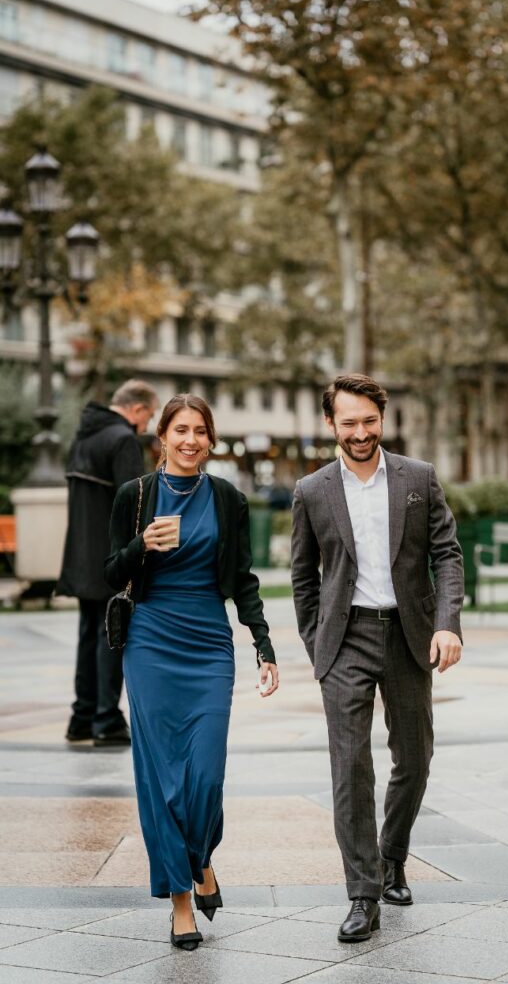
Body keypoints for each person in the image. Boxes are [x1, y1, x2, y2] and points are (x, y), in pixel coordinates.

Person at [291, 373, 464, 943]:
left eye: (369, 421)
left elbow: (447, 553)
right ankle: (363, 895)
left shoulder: (418, 478)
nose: (360, 432)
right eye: (349, 423)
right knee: (350, 769)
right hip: (345, 640)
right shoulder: (312, 490)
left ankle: (393, 856)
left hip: (409, 636)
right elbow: (302, 576)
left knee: (414, 758)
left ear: (381, 419)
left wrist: (447, 624)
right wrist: (318, 641)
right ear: (330, 424)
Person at [104, 393, 278, 951]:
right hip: (151, 642)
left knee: (204, 774)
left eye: (200, 431)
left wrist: (264, 645)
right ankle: (182, 898)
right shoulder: (135, 496)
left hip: (208, 642)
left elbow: (244, 578)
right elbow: (108, 571)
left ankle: (200, 860)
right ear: (161, 436)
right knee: (162, 778)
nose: (190, 440)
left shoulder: (227, 498)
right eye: (180, 429)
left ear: (210, 438)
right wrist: (141, 546)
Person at [57, 379, 159, 747]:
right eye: (148, 416)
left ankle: (82, 717)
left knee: (89, 636)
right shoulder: (123, 439)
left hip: (80, 555)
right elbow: (135, 501)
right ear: (136, 409)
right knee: (111, 636)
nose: (147, 426)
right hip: (111, 557)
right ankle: (106, 719)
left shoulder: (83, 437)